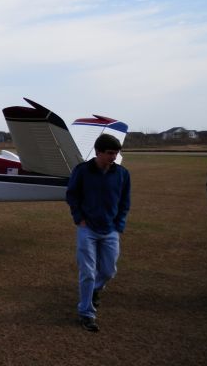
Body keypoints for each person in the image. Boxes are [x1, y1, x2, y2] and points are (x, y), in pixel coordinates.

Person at [66, 133, 131, 332]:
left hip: (110, 230)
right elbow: (72, 195)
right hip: (88, 230)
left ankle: (94, 291)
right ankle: (86, 313)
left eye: (116, 153)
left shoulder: (122, 173)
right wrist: (80, 219)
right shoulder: (82, 170)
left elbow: (124, 202)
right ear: (98, 152)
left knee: (108, 271)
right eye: (110, 153)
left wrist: (118, 225)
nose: (113, 157)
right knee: (87, 272)